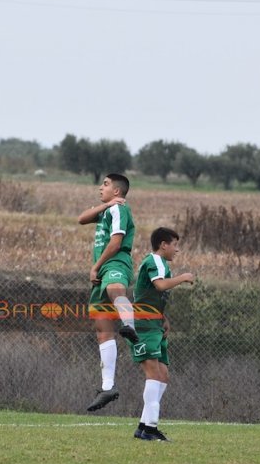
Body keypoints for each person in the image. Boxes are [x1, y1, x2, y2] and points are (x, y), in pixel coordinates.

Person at [77, 173, 139, 412]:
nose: (99, 187)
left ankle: (129, 324)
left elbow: (115, 243)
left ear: (117, 191)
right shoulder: (107, 209)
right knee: (103, 329)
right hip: (102, 270)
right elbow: (81, 219)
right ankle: (108, 387)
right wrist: (105, 205)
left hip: (114, 262)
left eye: (105, 184)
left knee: (116, 289)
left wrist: (95, 265)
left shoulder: (119, 211)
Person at [128, 227, 194, 441]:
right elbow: (159, 285)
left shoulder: (161, 264)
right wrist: (183, 277)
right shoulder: (155, 261)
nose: (177, 249)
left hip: (154, 323)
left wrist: (163, 317)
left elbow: (149, 294)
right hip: (144, 325)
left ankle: (143, 427)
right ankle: (150, 428)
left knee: (163, 375)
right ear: (163, 245)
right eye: (175, 244)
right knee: (154, 375)